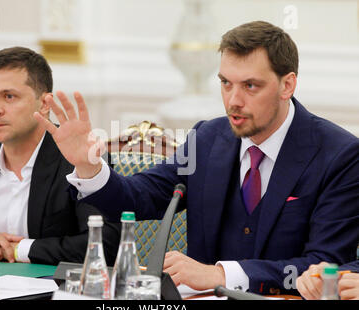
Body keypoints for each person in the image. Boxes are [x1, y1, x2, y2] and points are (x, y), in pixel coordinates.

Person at [34, 21, 359, 295]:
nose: (233, 100)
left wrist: (221, 275)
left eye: (250, 86)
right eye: (225, 83)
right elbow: (140, 197)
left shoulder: (338, 155)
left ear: (287, 84)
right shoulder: (207, 139)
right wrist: (89, 165)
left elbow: (325, 266)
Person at [0, 47, 120, 266]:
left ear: (45, 104)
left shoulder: (80, 158)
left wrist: (19, 250)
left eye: (9, 96)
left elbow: (104, 245)